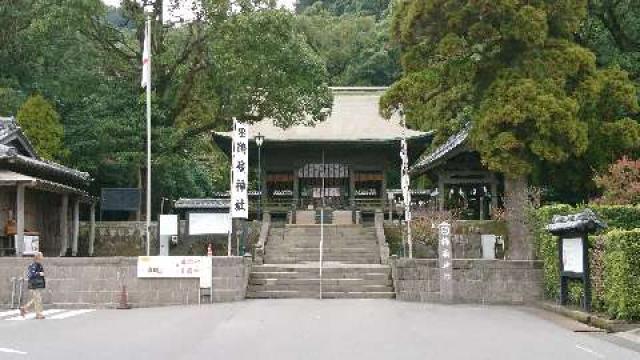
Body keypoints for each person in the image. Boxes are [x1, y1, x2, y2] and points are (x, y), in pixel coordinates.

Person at [20, 252, 46, 319]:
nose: (43, 257)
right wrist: (39, 273)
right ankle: (38, 314)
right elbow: (31, 275)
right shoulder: (34, 265)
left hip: (37, 285)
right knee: (38, 299)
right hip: (34, 285)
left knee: (36, 298)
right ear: (38, 257)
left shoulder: (38, 264)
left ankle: (24, 308)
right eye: (42, 256)